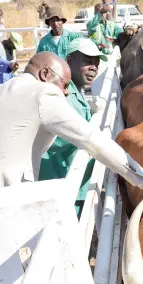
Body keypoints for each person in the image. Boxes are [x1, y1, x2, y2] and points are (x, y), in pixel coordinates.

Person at [0, 51, 143, 284]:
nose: (67, 93)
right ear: (45, 74)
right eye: (64, 84)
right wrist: (140, 177)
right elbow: (92, 140)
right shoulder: (41, 93)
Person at [38, 38, 108, 216]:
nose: (94, 67)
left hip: (71, 177)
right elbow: (70, 137)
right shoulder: (62, 95)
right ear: (69, 61)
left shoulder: (77, 91)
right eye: (87, 61)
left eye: (96, 63)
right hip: (60, 179)